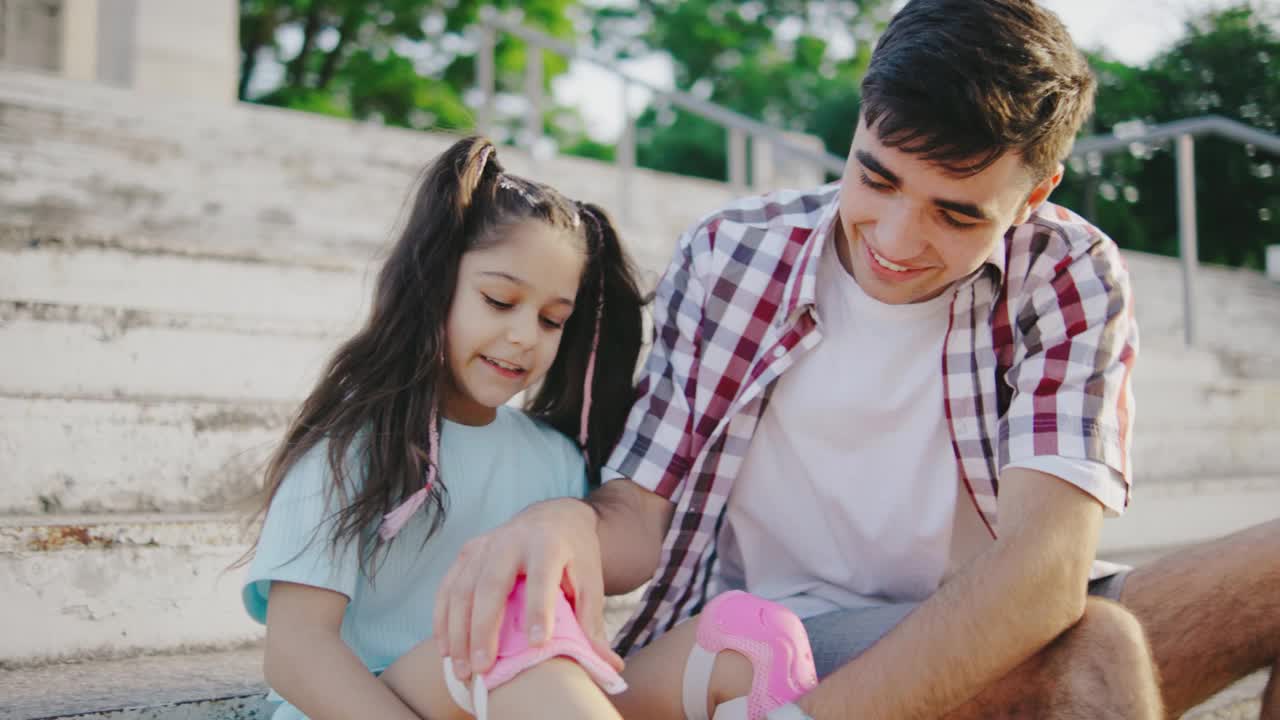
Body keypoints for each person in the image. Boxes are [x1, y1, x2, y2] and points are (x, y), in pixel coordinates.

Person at [434, 1, 1280, 718]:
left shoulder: (1066, 274)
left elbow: (1043, 575)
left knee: (1131, 617)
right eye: (876, 179)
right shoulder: (732, 254)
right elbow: (640, 510)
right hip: (777, 638)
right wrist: (565, 521)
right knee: (1094, 648)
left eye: (956, 215)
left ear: (1036, 193)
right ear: (862, 123)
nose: (897, 241)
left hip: (983, 626)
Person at [238, 136, 652, 720]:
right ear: (435, 286)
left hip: (501, 693)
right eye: (499, 300)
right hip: (353, 707)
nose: (524, 336)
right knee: (515, 644)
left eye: (552, 319)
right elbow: (296, 650)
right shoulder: (354, 445)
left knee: (737, 641)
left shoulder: (556, 460)